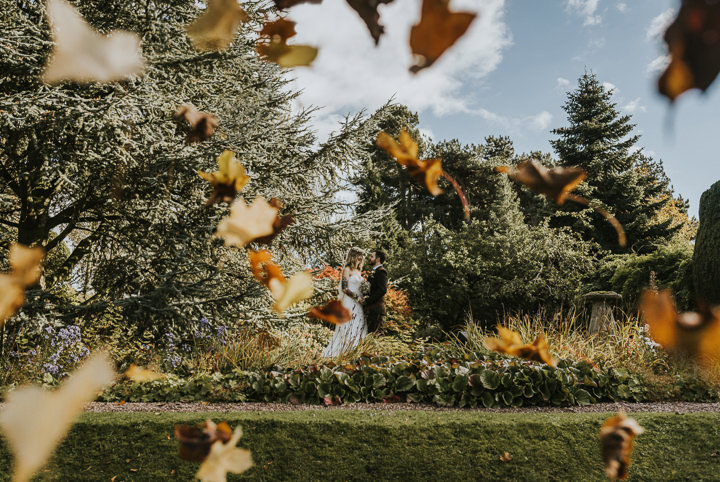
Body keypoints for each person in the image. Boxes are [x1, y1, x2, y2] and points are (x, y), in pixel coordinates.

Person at [321, 247, 367, 357]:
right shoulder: (347, 269)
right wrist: (357, 297)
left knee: (358, 326)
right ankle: (341, 354)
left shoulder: (359, 271)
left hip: (359, 304)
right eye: (359, 257)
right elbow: (344, 288)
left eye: (362, 258)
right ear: (353, 257)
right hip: (349, 302)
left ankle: (353, 354)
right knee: (347, 327)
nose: (361, 259)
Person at [363, 249, 388, 333]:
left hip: (377, 310)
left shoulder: (381, 272)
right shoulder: (374, 272)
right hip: (371, 310)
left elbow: (383, 289)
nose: (369, 258)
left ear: (378, 259)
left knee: (377, 337)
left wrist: (368, 300)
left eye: (372, 256)